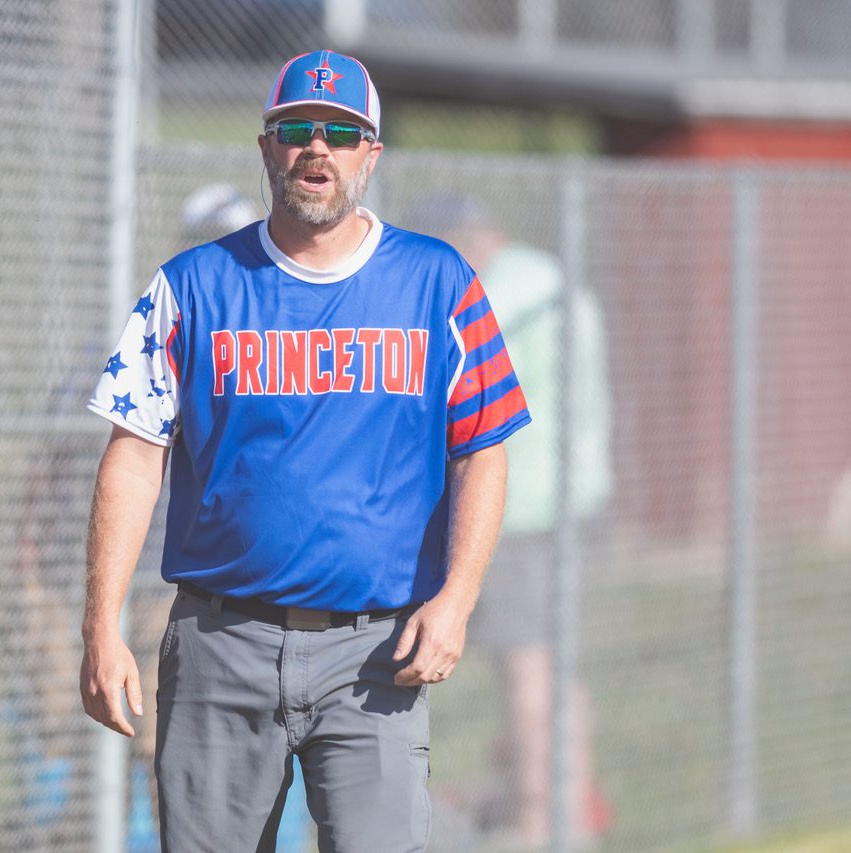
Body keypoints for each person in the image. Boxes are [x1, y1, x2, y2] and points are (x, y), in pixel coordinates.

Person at [80, 50, 531, 851]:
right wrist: (100, 625)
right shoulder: (193, 285)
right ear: (267, 147)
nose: (317, 147)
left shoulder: (438, 282)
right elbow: (135, 453)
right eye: (296, 130)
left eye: (341, 133)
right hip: (221, 642)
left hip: (375, 651)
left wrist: (456, 600)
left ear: (371, 154)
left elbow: (482, 450)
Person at [413, 194, 613, 845]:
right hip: (578, 500)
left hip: (523, 508)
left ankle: (538, 818)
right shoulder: (555, 279)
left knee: (527, 664)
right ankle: (566, 808)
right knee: (558, 664)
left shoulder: (498, 299)